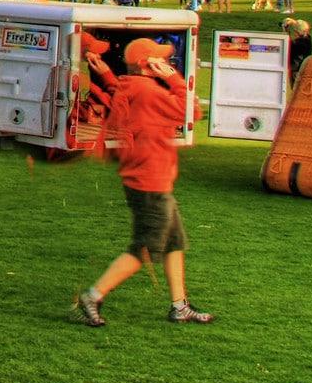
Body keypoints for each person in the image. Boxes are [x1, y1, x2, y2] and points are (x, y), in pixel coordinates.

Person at [72, 38, 212, 326]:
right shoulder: (150, 91)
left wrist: (106, 75)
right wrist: (172, 78)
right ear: (148, 64)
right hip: (151, 181)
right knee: (144, 248)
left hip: (145, 178)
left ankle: (180, 306)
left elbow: (118, 91)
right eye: (158, 58)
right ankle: (92, 296)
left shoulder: (130, 85)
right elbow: (191, 112)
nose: (165, 61)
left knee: (174, 242)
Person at [282, 19, 312, 84]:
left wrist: (285, 31)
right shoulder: (308, 39)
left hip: (296, 71)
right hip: (304, 68)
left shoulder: (298, 44)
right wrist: (294, 22)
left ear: (296, 32)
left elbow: (286, 46)